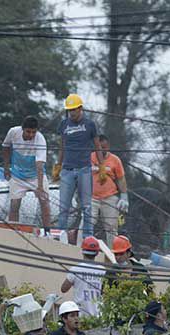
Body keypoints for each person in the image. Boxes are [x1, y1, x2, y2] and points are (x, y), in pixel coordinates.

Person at [54, 94, 103, 240]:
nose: (72, 113)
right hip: (67, 170)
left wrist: (101, 166)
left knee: (87, 207)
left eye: (74, 109)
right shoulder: (63, 125)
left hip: (84, 170)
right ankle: (59, 237)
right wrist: (58, 164)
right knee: (63, 207)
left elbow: (97, 146)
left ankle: (87, 238)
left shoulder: (90, 125)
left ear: (80, 108)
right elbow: (62, 146)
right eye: (69, 110)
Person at [2, 116, 51, 232]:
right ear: (22, 129)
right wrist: (6, 167)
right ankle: (13, 231)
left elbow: (39, 165)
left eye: (33, 132)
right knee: (14, 205)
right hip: (18, 175)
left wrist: (39, 187)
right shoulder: (13, 132)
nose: (31, 135)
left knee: (45, 201)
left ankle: (47, 231)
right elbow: (5, 146)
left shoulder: (40, 139)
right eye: (28, 131)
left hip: (35, 175)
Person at [90, 135, 128, 245]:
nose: (103, 150)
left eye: (105, 147)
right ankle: (81, 249)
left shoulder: (115, 160)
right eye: (100, 147)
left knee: (111, 227)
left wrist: (124, 197)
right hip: (92, 197)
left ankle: (113, 253)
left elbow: (121, 179)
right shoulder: (89, 158)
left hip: (110, 197)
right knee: (87, 224)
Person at [60, 236, 106, 317]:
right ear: (97, 253)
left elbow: (63, 289)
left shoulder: (75, 269)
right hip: (98, 316)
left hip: (80, 316)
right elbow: (104, 291)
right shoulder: (103, 271)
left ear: (83, 251)